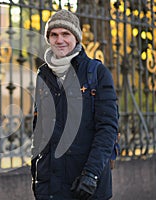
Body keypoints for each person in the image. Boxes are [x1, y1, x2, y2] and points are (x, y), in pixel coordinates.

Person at [31, 9, 119, 200]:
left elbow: (107, 129)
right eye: (53, 35)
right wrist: (36, 173)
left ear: (76, 38)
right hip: (49, 186)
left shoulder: (97, 72)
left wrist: (91, 175)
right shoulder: (43, 75)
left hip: (85, 185)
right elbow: (39, 130)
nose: (59, 40)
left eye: (65, 34)